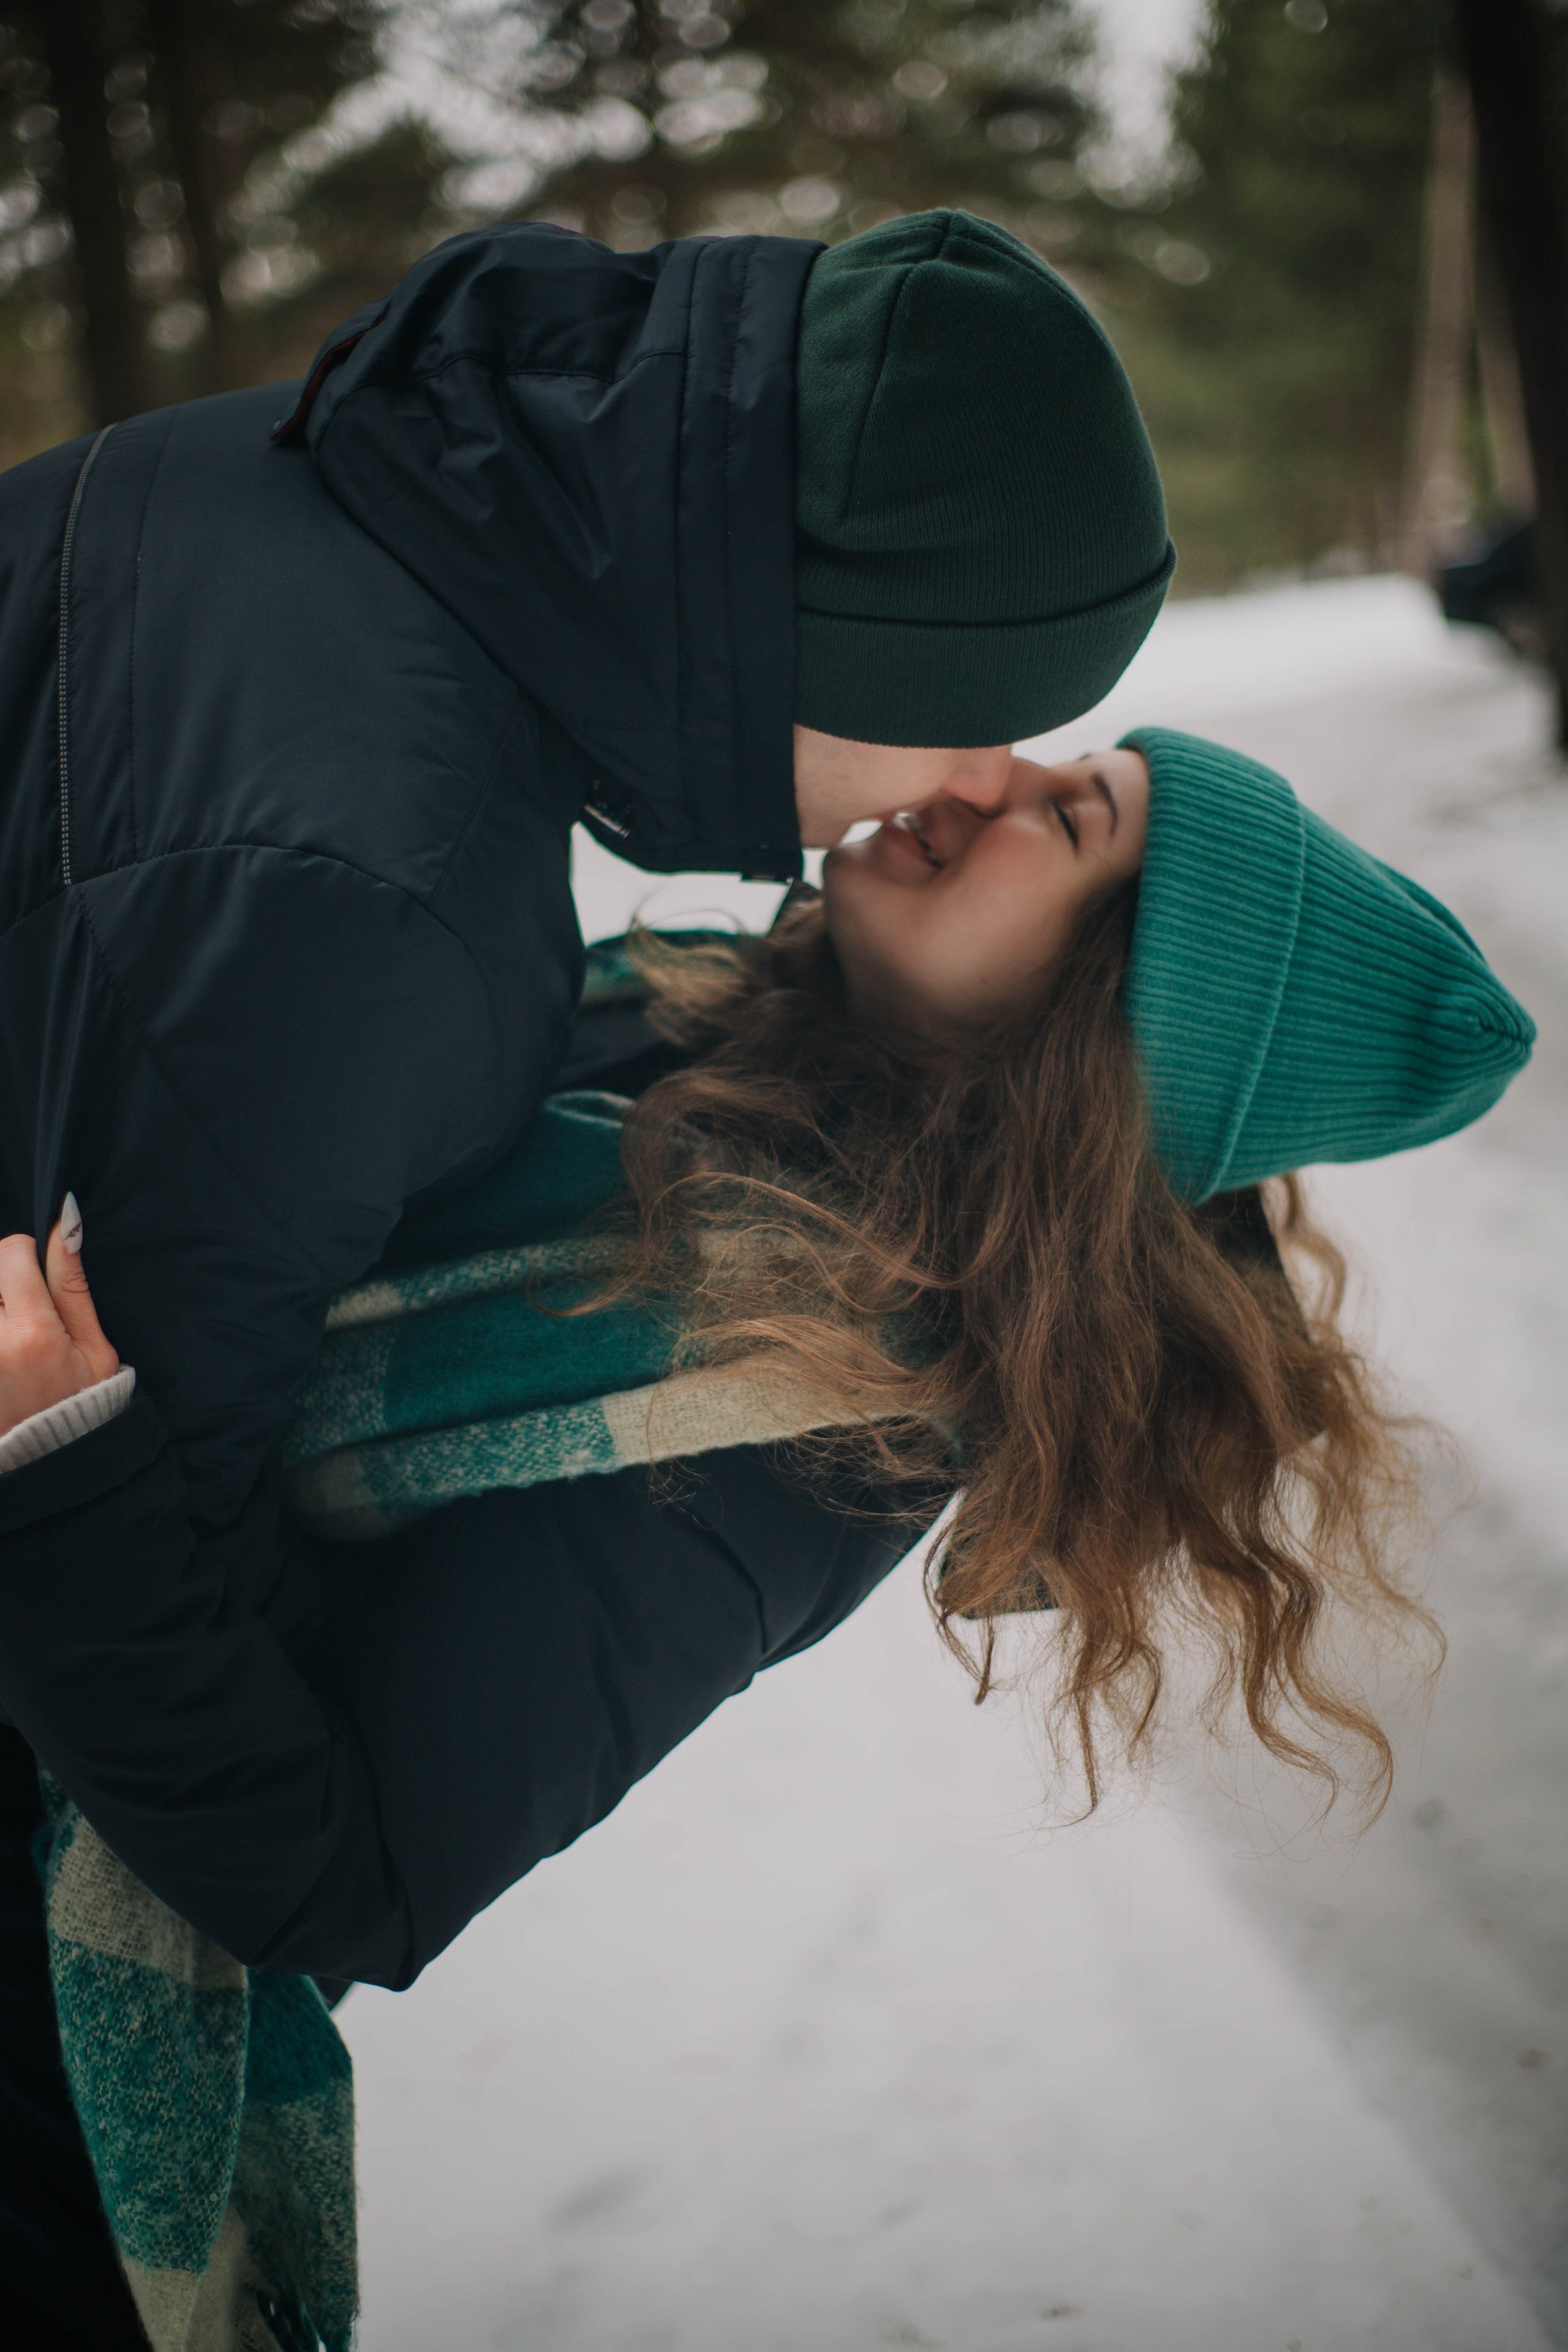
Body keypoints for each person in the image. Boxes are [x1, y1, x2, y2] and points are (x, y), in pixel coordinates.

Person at [0, 208, 1176, 2340]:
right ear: (856, 620)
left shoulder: (266, 486)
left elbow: (333, 1821)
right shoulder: (391, 894)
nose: (981, 779)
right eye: (995, 720)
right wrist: (66, 1467)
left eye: (1053, 787)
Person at [0, 715, 1533, 2347]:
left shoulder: (803, 1423)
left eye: (1070, 817)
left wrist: (63, 1470)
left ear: (1103, 1028)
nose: (987, 773)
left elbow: (341, 1872)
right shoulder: (695, 1015)